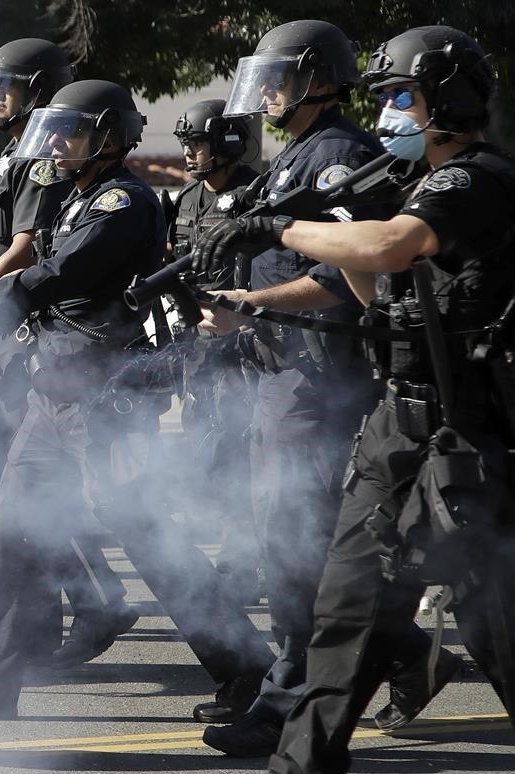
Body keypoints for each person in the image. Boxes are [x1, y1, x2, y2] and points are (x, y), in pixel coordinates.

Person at [194, 26, 514, 772]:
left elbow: (389, 249)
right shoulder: (407, 187)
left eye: (403, 96)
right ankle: (301, 760)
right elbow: (375, 293)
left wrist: (280, 227)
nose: (390, 115)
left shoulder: (475, 180)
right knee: (344, 611)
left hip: (467, 436)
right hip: (396, 426)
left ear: (450, 98)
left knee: (497, 623)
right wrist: (325, 227)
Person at [0, 80, 277, 720]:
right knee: (13, 537)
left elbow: (57, 277)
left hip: (102, 399)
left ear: (108, 137)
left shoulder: (122, 199)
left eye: (68, 132)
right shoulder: (74, 198)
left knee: (149, 535)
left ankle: (248, 671)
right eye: (50, 130)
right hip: (55, 394)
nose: (52, 143)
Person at [0, 39, 139, 669]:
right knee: (17, 503)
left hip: (60, 352)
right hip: (29, 345)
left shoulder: (63, 178)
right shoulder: (24, 159)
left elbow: (34, 254)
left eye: (8, 85)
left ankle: (239, 661)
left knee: (114, 512)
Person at [166, 98, 263, 605]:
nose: (190, 152)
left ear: (227, 142)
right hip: (198, 349)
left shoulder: (256, 194)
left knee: (238, 452)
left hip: (246, 346)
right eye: (187, 143)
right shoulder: (184, 202)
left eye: (199, 142)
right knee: (206, 448)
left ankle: (242, 561)